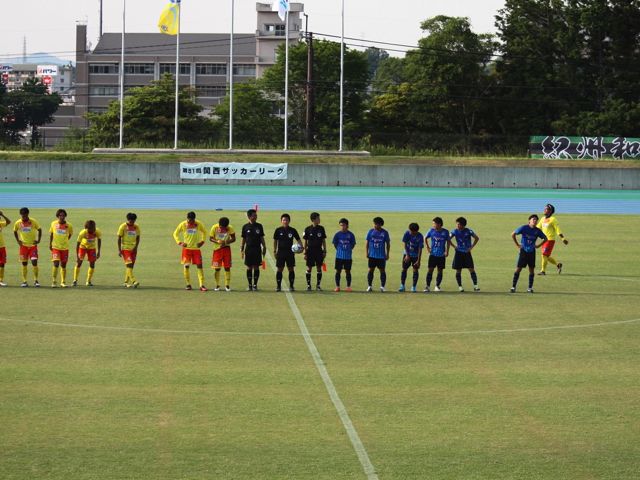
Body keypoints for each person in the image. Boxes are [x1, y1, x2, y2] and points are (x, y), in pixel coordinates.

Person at [510, 214, 547, 293]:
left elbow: (545, 238)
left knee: (531, 270)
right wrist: (517, 244)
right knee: (518, 269)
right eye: (533, 219)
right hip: (523, 251)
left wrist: (538, 246)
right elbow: (513, 234)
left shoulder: (537, 231)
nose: (535, 221)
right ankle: (513, 287)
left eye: (536, 220)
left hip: (532, 252)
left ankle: (529, 288)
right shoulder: (524, 228)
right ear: (529, 221)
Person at [173, 211, 207, 291]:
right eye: (189, 220)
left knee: (199, 266)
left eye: (192, 220)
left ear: (194, 219)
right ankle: (188, 284)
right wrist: (180, 242)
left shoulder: (198, 224)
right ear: (187, 218)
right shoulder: (183, 224)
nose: (190, 222)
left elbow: (204, 232)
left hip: (196, 249)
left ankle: (202, 285)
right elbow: (175, 233)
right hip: (187, 249)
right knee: (186, 266)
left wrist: (202, 241)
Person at [13, 207, 42, 287]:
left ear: (27, 214)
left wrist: (38, 240)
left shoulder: (33, 222)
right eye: (22, 216)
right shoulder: (18, 223)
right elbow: (15, 231)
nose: (24, 217)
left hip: (33, 246)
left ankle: (36, 280)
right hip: (23, 247)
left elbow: (40, 229)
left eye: (25, 216)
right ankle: (24, 281)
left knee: (34, 262)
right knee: (24, 264)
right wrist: (18, 240)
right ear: (21, 215)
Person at [450, 217, 480, 292]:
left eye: (459, 224)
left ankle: (476, 286)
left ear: (463, 225)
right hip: (458, 253)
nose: (457, 225)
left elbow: (476, 238)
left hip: (467, 252)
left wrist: (471, 247)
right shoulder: (454, 231)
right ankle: (460, 287)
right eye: (457, 224)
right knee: (458, 270)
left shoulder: (468, 231)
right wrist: (454, 246)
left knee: (471, 269)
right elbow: (448, 238)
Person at [537, 203, 569, 275]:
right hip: (543, 240)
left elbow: (558, 230)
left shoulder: (553, 219)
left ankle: (543, 271)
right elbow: (537, 228)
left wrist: (563, 238)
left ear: (550, 211)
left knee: (544, 255)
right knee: (546, 256)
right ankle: (558, 265)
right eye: (544, 208)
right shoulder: (542, 219)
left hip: (550, 240)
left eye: (546, 209)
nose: (544, 210)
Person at [273, 213, 302, 292]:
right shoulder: (278, 230)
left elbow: (298, 239)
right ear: (281, 221)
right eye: (283, 220)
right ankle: (278, 286)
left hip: (290, 253)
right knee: (280, 269)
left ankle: (291, 286)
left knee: (291, 269)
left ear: (289, 221)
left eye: (286, 220)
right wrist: (275, 250)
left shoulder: (293, 230)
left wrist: (301, 247)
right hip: (280, 253)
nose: (285, 221)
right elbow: (275, 241)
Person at [240, 209, 266, 291]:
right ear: (249, 216)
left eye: (256, 215)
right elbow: (243, 238)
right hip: (248, 249)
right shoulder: (245, 227)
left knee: (256, 267)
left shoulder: (259, 226)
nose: (256, 217)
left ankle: (255, 285)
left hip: (257, 249)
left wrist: (264, 246)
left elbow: (261, 237)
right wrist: (242, 248)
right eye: (254, 215)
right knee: (249, 267)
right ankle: (250, 285)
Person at [49, 209, 73, 287]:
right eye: (60, 215)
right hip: (55, 247)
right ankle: (54, 281)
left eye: (63, 215)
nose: (62, 217)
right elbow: (51, 234)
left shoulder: (69, 225)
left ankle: (63, 282)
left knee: (63, 265)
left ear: (65, 216)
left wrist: (65, 240)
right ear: (57, 216)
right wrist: (50, 244)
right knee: (56, 263)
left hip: (65, 248)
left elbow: (70, 234)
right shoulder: (53, 224)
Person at [210, 216, 235, 291]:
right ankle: (217, 285)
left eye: (224, 227)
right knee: (217, 268)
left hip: (226, 249)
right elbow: (210, 238)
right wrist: (217, 241)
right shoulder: (214, 227)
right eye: (221, 227)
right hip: (217, 250)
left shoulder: (230, 228)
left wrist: (226, 242)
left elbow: (233, 238)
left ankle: (227, 285)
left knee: (227, 267)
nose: (222, 228)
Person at [424, 217, 450, 292]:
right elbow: (425, 237)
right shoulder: (431, 231)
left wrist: (447, 251)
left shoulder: (445, 232)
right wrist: (427, 247)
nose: (433, 225)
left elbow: (448, 241)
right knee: (430, 270)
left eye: (434, 224)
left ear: (439, 224)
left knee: (440, 271)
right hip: (433, 254)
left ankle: (437, 286)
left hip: (441, 255)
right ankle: (427, 286)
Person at [365, 216, 390, 292]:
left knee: (382, 271)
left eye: (376, 224)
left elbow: (388, 244)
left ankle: (382, 287)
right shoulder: (370, 231)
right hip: (372, 255)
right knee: (370, 270)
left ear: (380, 224)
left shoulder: (385, 233)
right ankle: (369, 286)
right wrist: (366, 252)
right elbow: (367, 243)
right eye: (374, 224)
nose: (375, 225)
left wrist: (387, 254)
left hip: (381, 256)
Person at [303, 212, 327, 291]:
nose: (319, 220)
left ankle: (318, 285)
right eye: (318, 218)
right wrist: (305, 252)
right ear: (313, 219)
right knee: (309, 268)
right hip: (310, 251)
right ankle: (308, 285)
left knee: (319, 267)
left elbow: (323, 240)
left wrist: (324, 250)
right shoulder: (307, 229)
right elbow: (305, 242)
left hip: (319, 251)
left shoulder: (321, 228)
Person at [73, 220, 102, 287]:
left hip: (92, 248)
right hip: (82, 247)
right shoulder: (82, 233)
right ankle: (75, 280)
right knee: (79, 262)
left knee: (92, 264)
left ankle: (88, 281)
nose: (92, 231)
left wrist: (99, 251)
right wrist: (77, 256)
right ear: (86, 228)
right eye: (91, 229)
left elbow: (99, 240)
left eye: (93, 228)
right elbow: (77, 244)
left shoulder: (97, 231)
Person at [117, 212, 141, 288]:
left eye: (134, 221)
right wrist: (119, 250)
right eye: (131, 221)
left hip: (133, 249)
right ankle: (134, 281)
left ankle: (125, 282)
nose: (133, 222)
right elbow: (119, 238)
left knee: (131, 267)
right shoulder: (123, 227)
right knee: (129, 264)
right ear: (128, 220)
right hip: (125, 248)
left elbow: (138, 237)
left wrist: (136, 247)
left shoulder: (136, 227)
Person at [332, 218, 356, 292]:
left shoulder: (351, 235)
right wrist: (339, 250)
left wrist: (348, 250)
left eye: (343, 225)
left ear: (347, 225)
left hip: (348, 257)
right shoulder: (337, 234)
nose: (342, 227)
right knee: (338, 271)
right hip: (339, 256)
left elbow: (353, 244)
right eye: (341, 225)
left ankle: (348, 287)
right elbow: (335, 244)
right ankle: (337, 286)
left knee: (348, 271)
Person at [399, 222, 423, 292]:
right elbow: (405, 244)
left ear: (416, 231)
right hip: (407, 254)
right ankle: (402, 285)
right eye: (410, 230)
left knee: (415, 270)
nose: (411, 232)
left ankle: (414, 287)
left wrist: (418, 260)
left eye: (412, 231)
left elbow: (420, 249)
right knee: (404, 269)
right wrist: (407, 255)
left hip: (415, 256)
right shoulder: (407, 233)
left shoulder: (420, 236)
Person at [0, 210, 11, 286]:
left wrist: (3, 215)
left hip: (2, 246)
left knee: (2, 263)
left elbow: (9, 222)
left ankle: (1, 280)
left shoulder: (0, 224)